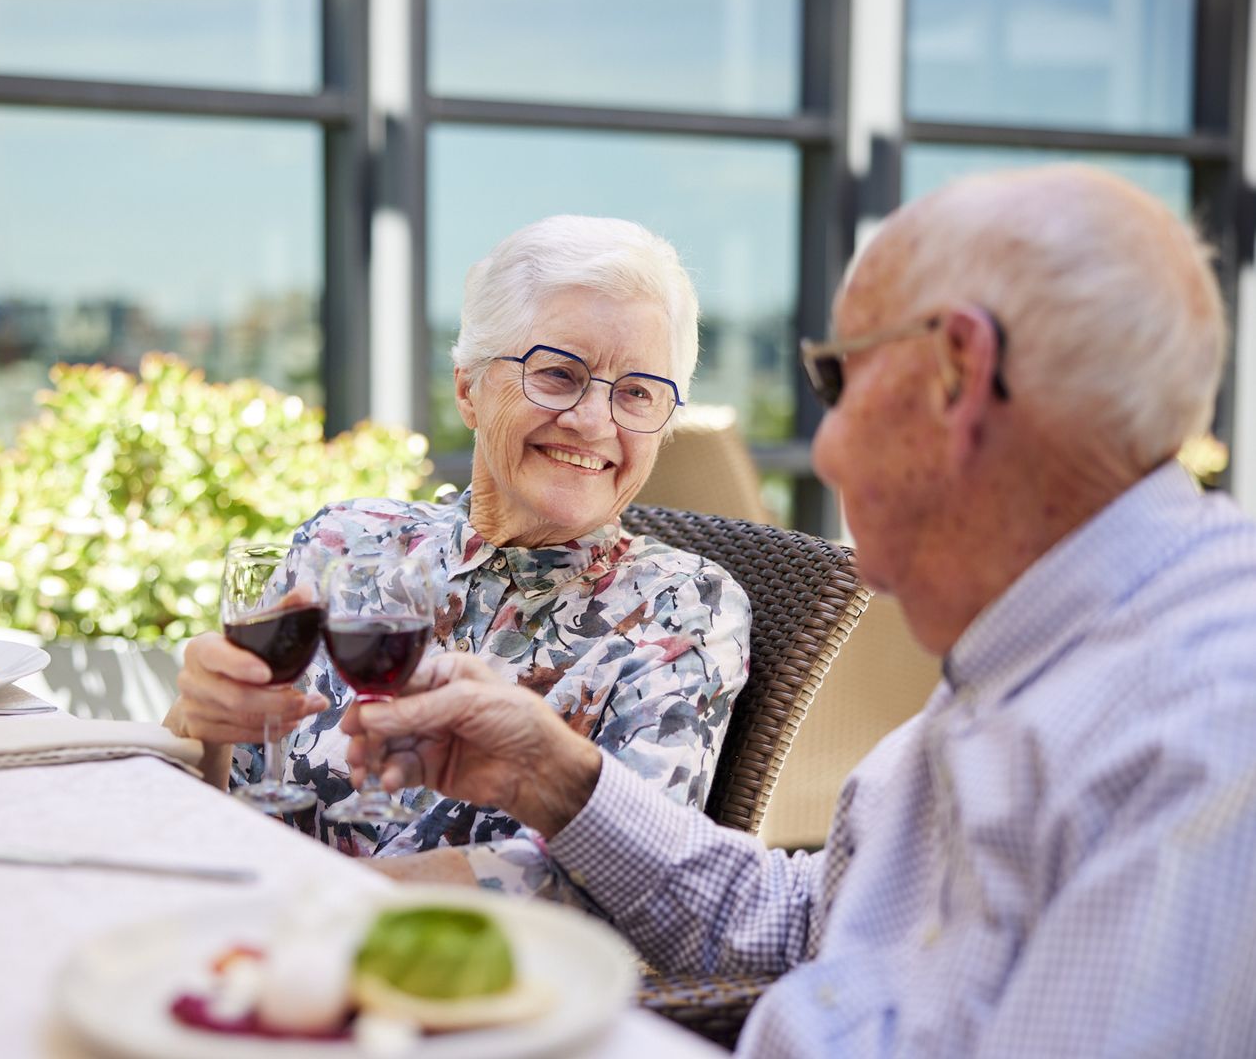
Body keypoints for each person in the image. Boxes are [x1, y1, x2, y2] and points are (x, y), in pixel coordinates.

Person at [346, 166, 1256, 1054]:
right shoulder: (1043, 655)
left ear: (957, 376)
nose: (826, 458)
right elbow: (806, 923)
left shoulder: (1205, 727)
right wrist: (553, 781)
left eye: (837, 383)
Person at [169, 215, 751, 898]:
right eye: (558, 375)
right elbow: (215, 797)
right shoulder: (341, 541)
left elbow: (622, 877)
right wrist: (197, 726)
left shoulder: (681, 611)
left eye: (635, 393)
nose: (593, 422)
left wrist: (307, 895)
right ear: (467, 389)